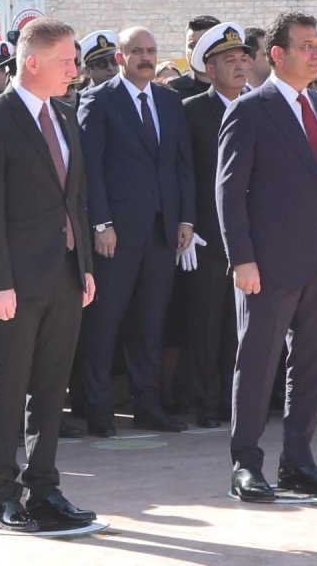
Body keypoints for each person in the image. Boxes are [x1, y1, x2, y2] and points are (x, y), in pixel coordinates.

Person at [0, 18, 97, 532]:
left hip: (63, 274)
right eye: (66, 61)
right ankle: (2, 494)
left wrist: (84, 265)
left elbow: (76, 199)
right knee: (10, 384)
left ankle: (45, 488)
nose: (75, 70)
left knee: (50, 387)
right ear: (33, 61)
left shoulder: (65, 116)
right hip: (15, 281)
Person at [219, 11, 317, 502]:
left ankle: (298, 461)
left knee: (310, 364)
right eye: (307, 46)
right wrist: (242, 258)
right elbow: (230, 193)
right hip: (268, 263)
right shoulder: (251, 109)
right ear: (277, 55)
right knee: (257, 362)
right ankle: (246, 464)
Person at [76, 26, 195, 437]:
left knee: (150, 323)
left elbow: (181, 163)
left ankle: (148, 405)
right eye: (137, 51)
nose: (146, 57)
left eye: (151, 51)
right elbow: (90, 169)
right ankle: (98, 408)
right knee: (105, 322)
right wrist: (101, 224)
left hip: (162, 231)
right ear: (119, 57)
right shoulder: (98, 100)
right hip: (117, 233)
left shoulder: (168, 99)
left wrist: (185, 219)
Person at [181, 23, 250, 429]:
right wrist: (187, 221)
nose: (239, 66)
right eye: (229, 60)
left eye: (243, 58)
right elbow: (184, 170)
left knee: (243, 322)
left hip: (251, 234)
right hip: (207, 233)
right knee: (207, 320)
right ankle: (205, 399)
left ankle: (235, 395)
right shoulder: (192, 111)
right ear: (209, 67)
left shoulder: (258, 105)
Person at [166, 15, 220, 99]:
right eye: (192, 45)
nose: (197, 51)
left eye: (204, 45)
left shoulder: (239, 88)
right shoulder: (171, 91)